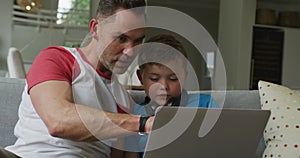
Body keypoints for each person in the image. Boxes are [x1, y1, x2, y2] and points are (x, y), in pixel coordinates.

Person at [1, 0, 155, 157]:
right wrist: (142, 123)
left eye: (138, 41)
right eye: (121, 38)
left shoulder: (124, 100)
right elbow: (58, 122)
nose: (130, 51)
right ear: (95, 29)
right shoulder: (57, 59)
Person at [123, 34, 219, 158]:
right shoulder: (135, 115)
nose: (164, 86)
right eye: (154, 78)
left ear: (184, 76)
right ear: (141, 77)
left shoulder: (205, 104)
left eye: (173, 78)